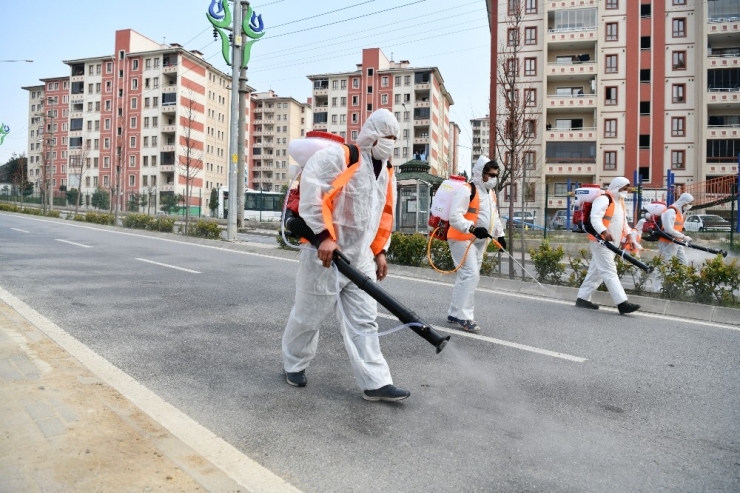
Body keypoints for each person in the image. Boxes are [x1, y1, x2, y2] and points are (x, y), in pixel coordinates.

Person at [282, 109, 411, 402]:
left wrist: (379, 251)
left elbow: (384, 214)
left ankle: (376, 382)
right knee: (308, 317)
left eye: (394, 138)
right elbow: (313, 193)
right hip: (324, 255)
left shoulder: (388, 171)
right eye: (386, 136)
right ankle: (294, 364)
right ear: (372, 134)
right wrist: (323, 236)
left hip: (361, 256)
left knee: (365, 321)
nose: (390, 142)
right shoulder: (340, 157)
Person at [446, 156, 505, 332]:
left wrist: (500, 235)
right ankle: (465, 318)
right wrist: (472, 228)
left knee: (468, 276)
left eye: (495, 175)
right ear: (480, 174)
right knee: (470, 275)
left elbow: (493, 216)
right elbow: (454, 217)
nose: (492, 179)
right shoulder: (466, 190)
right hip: (461, 239)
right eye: (489, 175)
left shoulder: (490, 194)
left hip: (480, 241)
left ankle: (454, 312)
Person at [575, 177, 641, 315]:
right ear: (617, 187)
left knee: (596, 272)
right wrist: (604, 231)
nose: (626, 191)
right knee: (609, 271)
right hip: (600, 241)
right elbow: (595, 218)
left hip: (612, 243)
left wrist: (629, 236)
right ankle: (622, 303)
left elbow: (623, 223)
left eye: (627, 189)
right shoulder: (604, 199)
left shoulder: (620, 202)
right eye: (624, 188)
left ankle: (582, 298)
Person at [659, 192, 694, 265]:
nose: (690, 205)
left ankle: (681, 276)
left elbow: (678, 227)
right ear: (684, 202)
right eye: (690, 203)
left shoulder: (681, 213)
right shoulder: (671, 211)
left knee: (683, 264)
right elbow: (668, 229)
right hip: (667, 242)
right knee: (666, 266)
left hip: (677, 242)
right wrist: (683, 237)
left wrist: (681, 238)